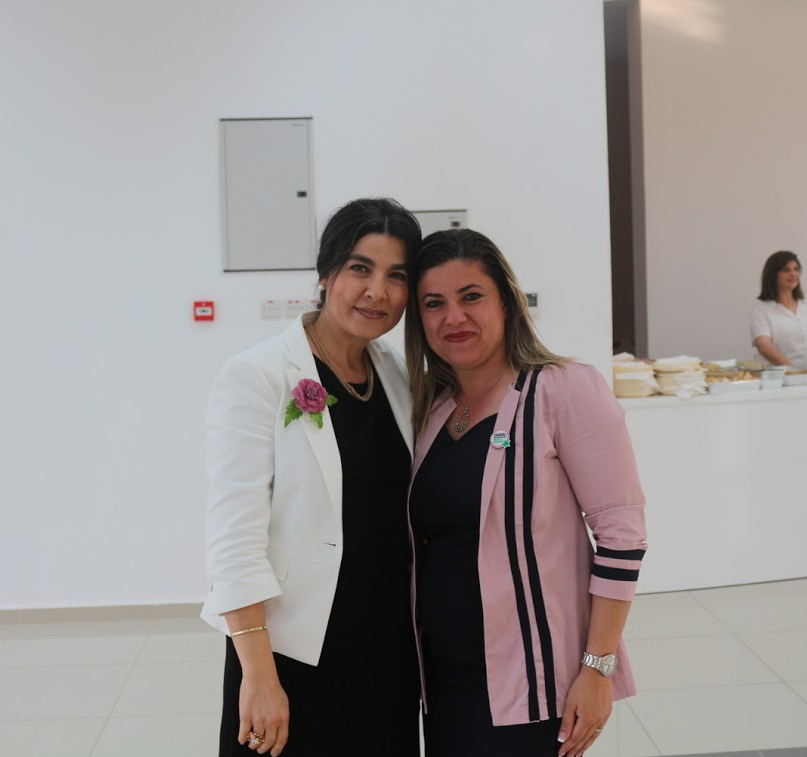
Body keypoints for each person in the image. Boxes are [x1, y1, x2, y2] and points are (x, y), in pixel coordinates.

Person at [404, 228, 647, 757]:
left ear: (507, 303)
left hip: (531, 689)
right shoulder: (432, 408)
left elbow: (622, 535)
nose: (454, 317)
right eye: (434, 303)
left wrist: (597, 668)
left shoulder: (562, 389)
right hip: (442, 683)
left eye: (471, 296)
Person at [201, 198, 422, 757]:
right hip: (294, 651)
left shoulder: (395, 373)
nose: (377, 291)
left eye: (397, 276)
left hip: (389, 648)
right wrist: (259, 674)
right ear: (326, 273)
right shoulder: (259, 375)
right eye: (360, 268)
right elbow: (234, 539)